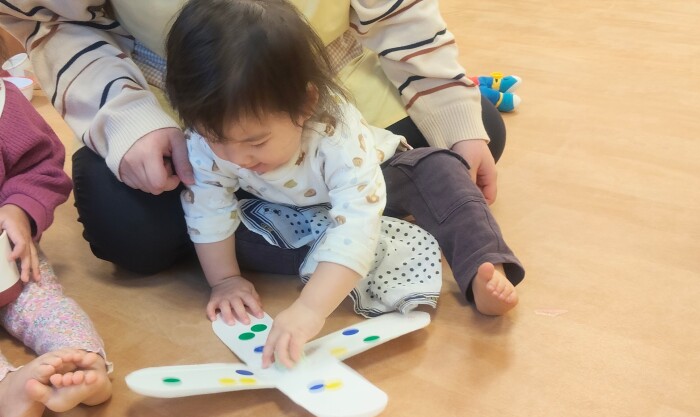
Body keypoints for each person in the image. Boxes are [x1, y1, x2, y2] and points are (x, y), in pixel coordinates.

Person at [0, 0, 509, 276]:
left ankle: (272, 226)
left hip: (337, 88)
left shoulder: (323, 119)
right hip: (184, 107)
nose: (243, 159)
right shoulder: (213, 141)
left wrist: (452, 112)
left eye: (256, 145)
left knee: (475, 130)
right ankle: (302, 217)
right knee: (126, 228)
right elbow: (48, 19)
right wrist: (127, 120)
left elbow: (400, 14)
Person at [165, 0, 524, 369]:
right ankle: (347, 258)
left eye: (256, 142)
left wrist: (310, 309)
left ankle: (483, 267)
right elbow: (208, 208)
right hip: (285, 215)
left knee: (441, 169)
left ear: (306, 103)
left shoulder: (335, 132)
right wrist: (225, 280)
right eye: (215, 139)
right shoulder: (205, 138)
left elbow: (356, 218)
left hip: (377, 184)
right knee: (209, 230)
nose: (236, 157)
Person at [0, 74, 112, 417]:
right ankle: (7, 390)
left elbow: (39, 166)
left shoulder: (4, 105)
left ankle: (81, 360)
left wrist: (20, 207)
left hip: (9, 258)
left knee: (44, 304)